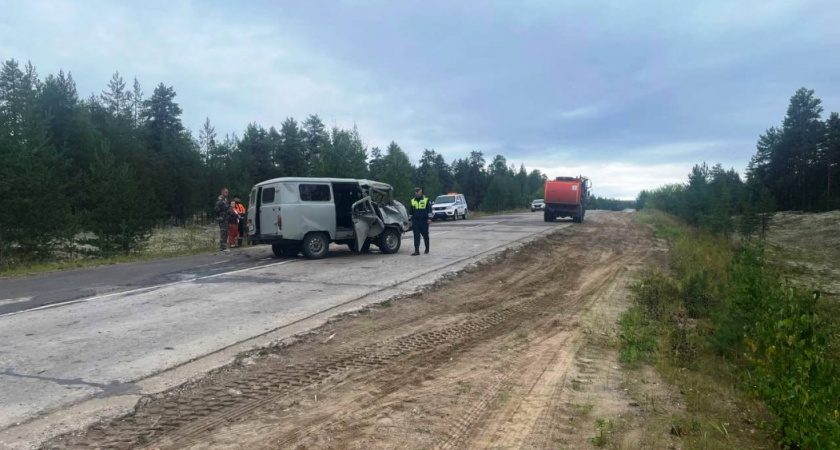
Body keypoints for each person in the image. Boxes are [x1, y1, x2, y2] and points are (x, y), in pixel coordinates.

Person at [409, 187, 432, 256]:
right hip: (415, 221)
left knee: (425, 235)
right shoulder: (412, 201)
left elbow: (429, 210)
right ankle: (416, 251)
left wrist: (430, 218)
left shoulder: (426, 200)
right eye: (415, 191)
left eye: (418, 191)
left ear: (421, 191)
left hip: (424, 221)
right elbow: (411, 211)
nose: (417, 192)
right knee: (416, 236)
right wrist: (409, 220)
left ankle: (427, 248)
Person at [214, 187, 230, 252]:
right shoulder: (220, 200)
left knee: (226, 232)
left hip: (226, 218)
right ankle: (222, 247)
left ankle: (224, 246)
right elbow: (216, 209)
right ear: (222, 192)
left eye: (227, 192)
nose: (227, 193)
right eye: (226, 192)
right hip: (222, 218)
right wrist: (221, 215)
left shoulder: (225, 200)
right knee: (223, 232)